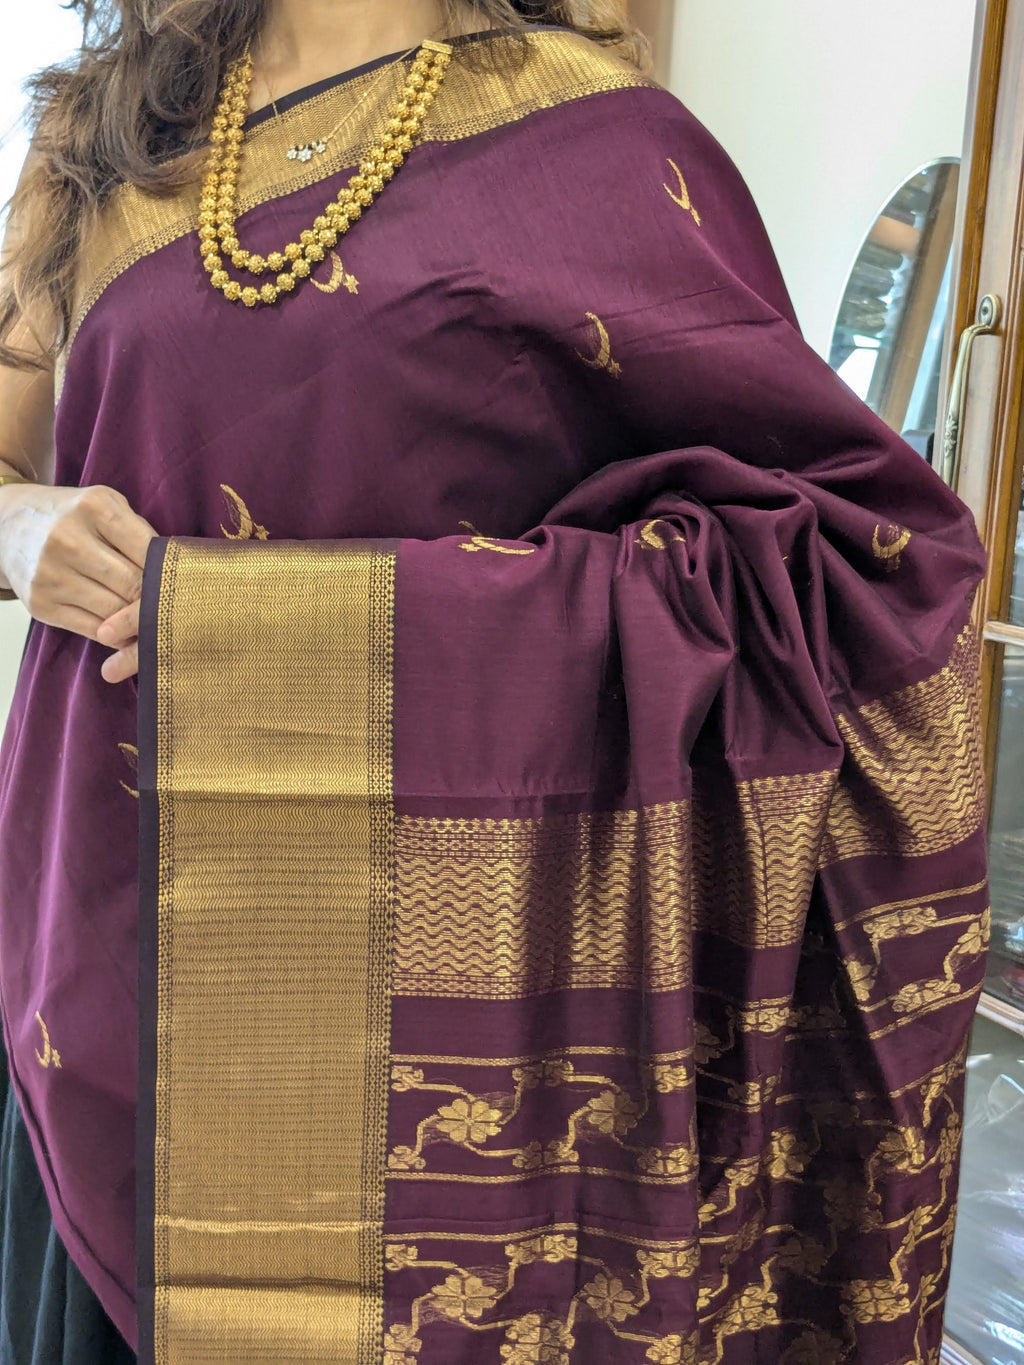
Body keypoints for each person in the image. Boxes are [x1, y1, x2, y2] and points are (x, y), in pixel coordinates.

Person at [0, 0, 990, 1361]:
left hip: (449, 1055)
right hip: (119, 973)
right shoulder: (102, 132)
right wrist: (24, 529)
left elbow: (863, 562)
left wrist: (372, 625)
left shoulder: (598, 134)